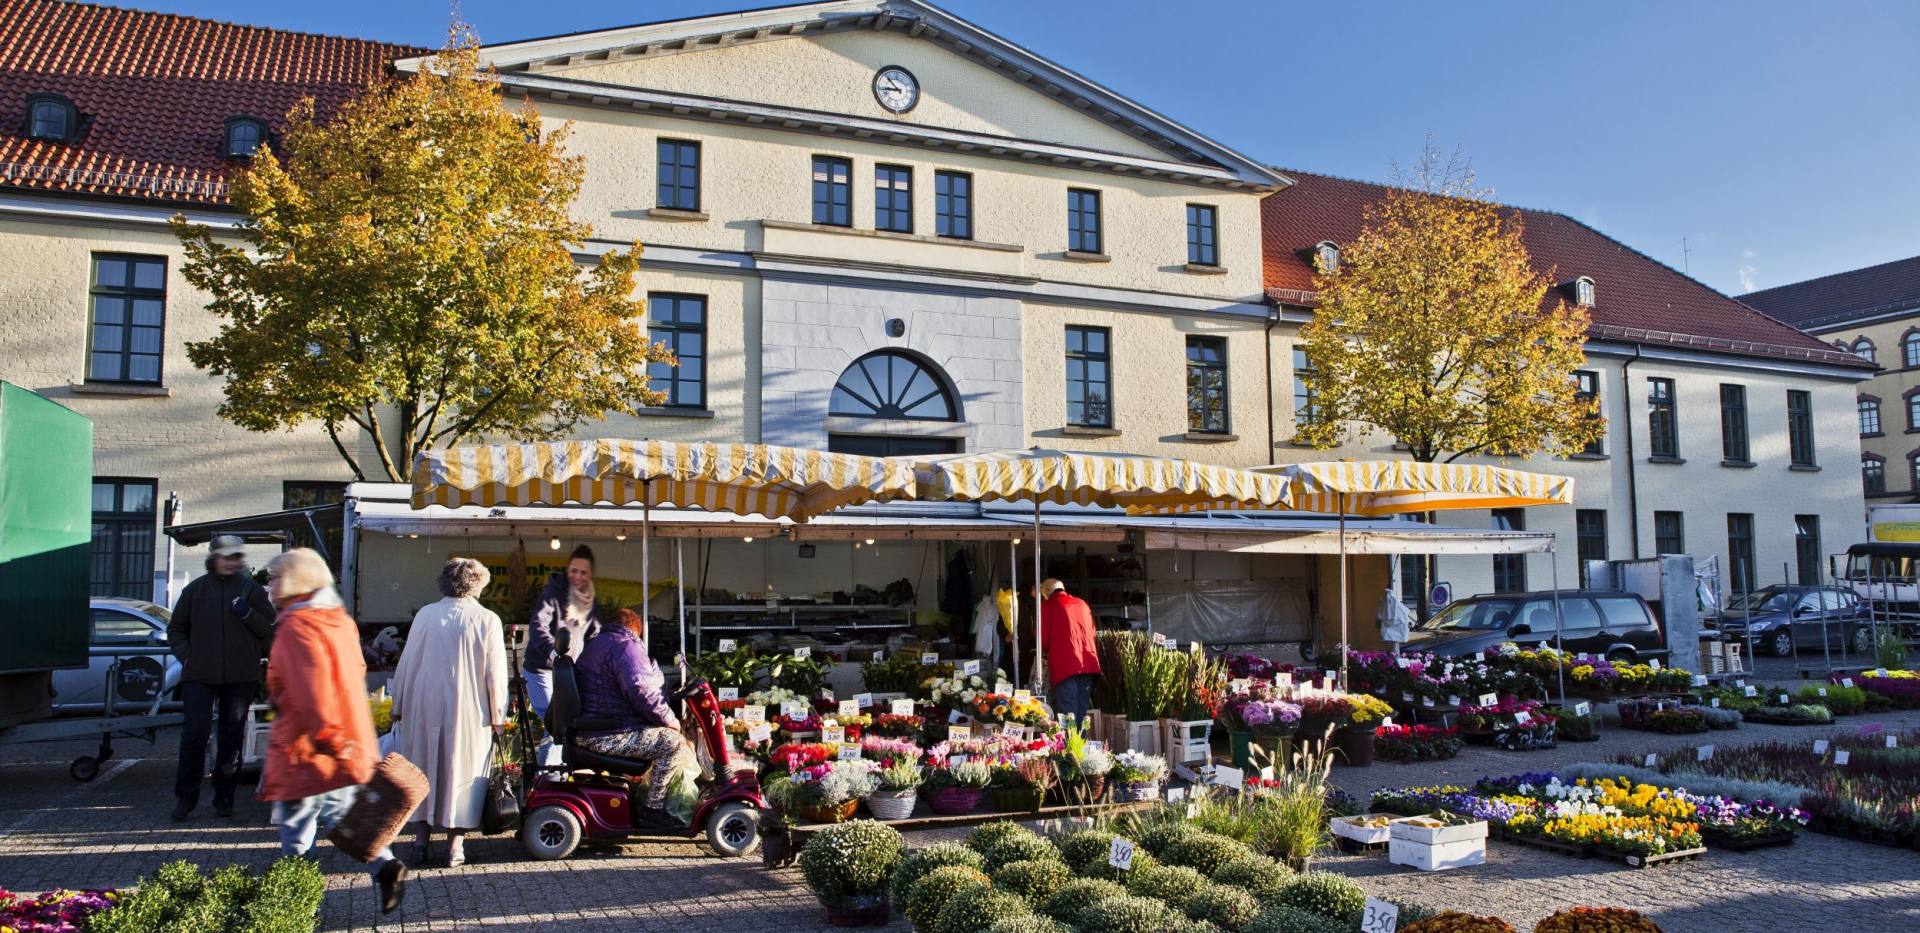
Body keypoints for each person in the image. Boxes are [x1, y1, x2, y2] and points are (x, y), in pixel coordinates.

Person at [257, 548, 407, 914]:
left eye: (275, 578)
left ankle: (296, 909)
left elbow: (308, 697)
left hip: (307, 748)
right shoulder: (337, 621)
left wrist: (325, 739)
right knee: (335, 816)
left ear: (294, 580)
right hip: (343, 742)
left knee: (297, 837)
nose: (269, 586)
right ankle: (384, 864)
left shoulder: (296, 627)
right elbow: (354, 672)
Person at [388, 558, 508, 868]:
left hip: (423, 704)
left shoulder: (427, 615)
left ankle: (420, 840)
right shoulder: (487, 620)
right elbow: (496, 674)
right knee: (461, 770)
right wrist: (498, 717)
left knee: (422, 768)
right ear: (478, 584)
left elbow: (407, 662)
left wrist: (398, 705)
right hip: (468, 708)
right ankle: (455, 845)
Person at [166, 533, 275, 821]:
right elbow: (175, 629)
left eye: (235, 557)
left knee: (232, 738)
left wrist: (247, 613)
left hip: (240, 676)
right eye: (225, 556)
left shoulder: (252, 590)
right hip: (199, 674)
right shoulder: (195, 591)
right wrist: (187, 657)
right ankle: (185, 799)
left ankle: (224, 800)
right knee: (195, 735)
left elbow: (269, 630)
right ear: (213, 558)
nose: (230, 562)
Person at [573, 608, 686, 828]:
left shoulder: (598, 643)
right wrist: (669, 719)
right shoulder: (626, 646)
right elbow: (641, 690)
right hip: (607, 733)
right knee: (672, 743)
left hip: (595, 728)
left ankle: (646, 799)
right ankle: (652, 810)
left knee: (661, 737)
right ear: (636, 628)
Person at [524, 545, 605, 724]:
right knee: (554, 725)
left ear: (590, 574)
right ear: (567, 569)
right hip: (541, 669)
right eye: (574, 571)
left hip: (569, 671)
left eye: (583, 572)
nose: (577, 576)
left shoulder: (590, 599)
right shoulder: (552, 593)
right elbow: (538, 625)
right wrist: (552, 650)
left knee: (565, 728)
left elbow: (596, 634)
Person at [1038, 578, 1101, 723]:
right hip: (1088, 663)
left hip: (1065, 666)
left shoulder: (1048, 605)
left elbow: (1043, 639)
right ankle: (1080, 744)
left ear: (1046, 592)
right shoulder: (1082, 604)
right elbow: (1093, 632)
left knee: (1068, 714)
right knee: (1081, 712)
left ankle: (1070, 745)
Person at [1376, 585, 1412, 657]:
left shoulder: (1386, 600)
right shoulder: (1386, 600)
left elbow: (1380, 616)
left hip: (1393, 633)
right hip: (1392, 632)